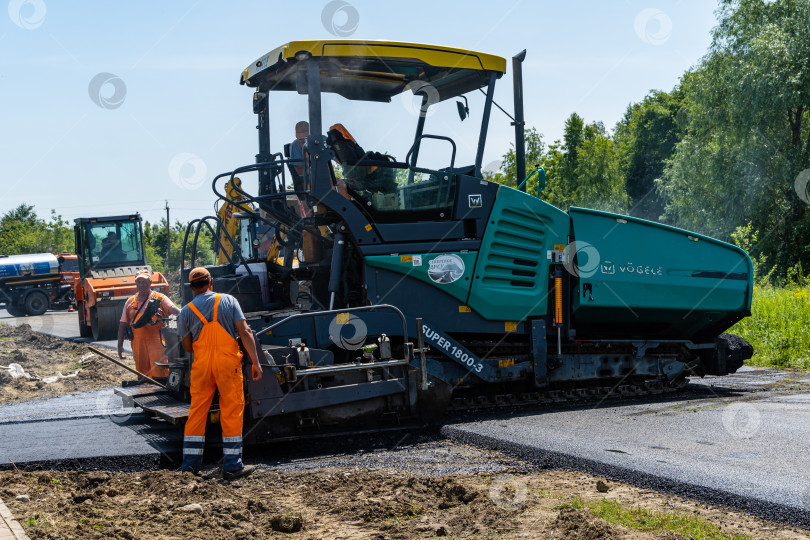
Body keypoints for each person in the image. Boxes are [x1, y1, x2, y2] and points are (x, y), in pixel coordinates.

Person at [177, 267, 263, 479]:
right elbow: (245, 332)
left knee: (197, 412)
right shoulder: (229, 301)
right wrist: (255, 361)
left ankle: (189, 467)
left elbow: (187, 346)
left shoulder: (186, 311)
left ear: (191, 288)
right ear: (211, 282)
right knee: (232, 409)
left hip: (202, 367)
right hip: (228, 365)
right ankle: (233, 466)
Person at [117, 269, 181, 379]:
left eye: (144, 282)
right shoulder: (130, 302)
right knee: (142, 375)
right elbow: (122, 325)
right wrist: (120, 346)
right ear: (136, 283)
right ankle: (144, 394)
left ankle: (161, 394)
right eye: (139, 282)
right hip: (138, 344)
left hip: (157, 342)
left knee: (160, 373)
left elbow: (173, 309)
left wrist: (185, 313)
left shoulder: (160, 298)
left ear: (150, 283)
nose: (141, 285)